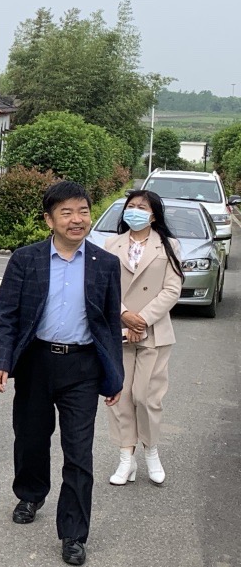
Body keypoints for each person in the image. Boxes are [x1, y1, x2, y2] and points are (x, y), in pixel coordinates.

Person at [0, 180, 124, 567]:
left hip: (82, 367)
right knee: (31, 438)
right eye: (66, 212)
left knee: (79, 452)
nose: (76, 219)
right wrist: (0, 360)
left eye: (83, 211)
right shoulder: (25, 259)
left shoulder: (105, 263)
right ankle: (30, 494)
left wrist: (114, 375)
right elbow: (6, 315)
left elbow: (109, 325)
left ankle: (74, 533)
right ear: (49, 220)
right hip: (36, 362)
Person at [103, 190, 183, 486]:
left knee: (146, 397)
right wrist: (125, 315)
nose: (135, 211)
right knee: (121, 396)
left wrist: (142, 319)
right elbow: (104, 287)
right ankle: (126, 458)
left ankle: (151, 451)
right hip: (119, 329)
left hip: (154, 331)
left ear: (154, 215)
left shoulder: (169, 245)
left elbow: (172, 289)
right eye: (131, 206)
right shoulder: (112, 244)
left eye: (142, 207)